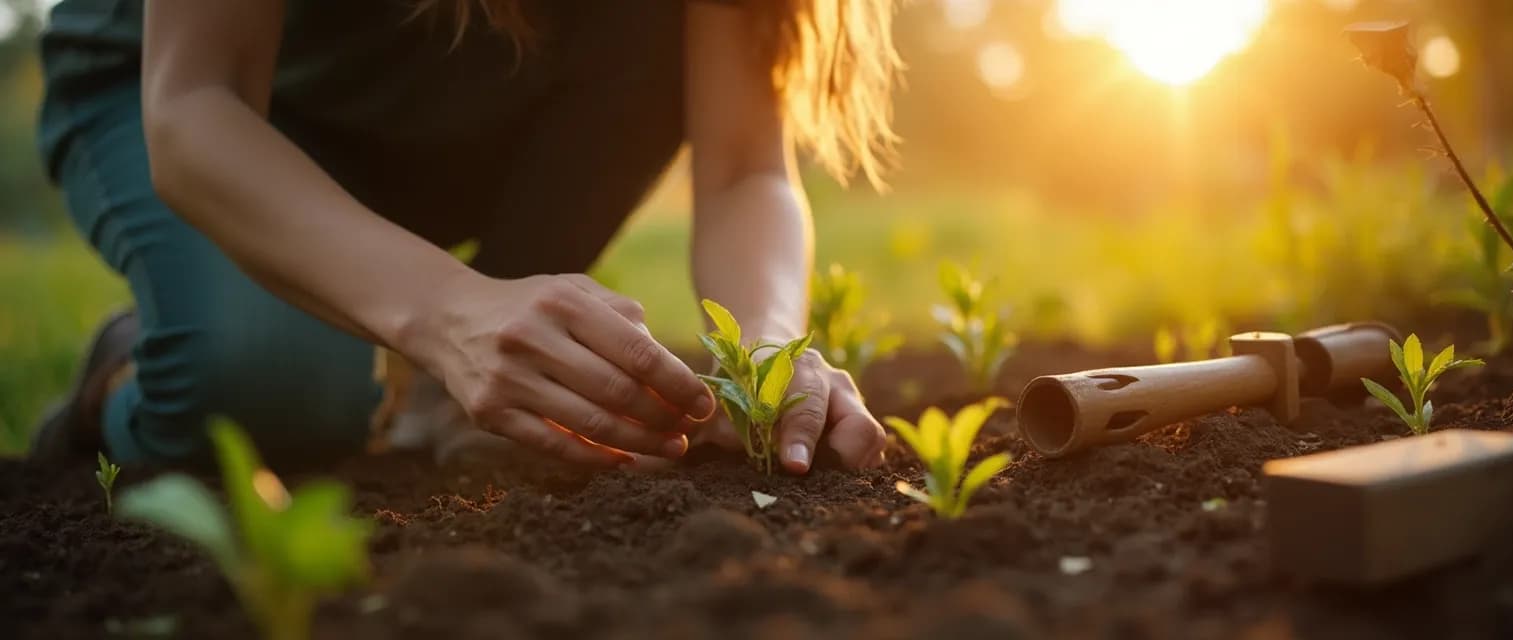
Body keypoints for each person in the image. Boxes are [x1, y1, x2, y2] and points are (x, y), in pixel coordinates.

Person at [30, 0, 900, 472]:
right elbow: (191, 108)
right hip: (207, 108)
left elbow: (748, 164)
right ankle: (124, 374)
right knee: (276, 390)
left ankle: (447, 393)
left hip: (468, 112)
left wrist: (769, 350)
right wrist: (446, 311)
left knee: (512, 445)